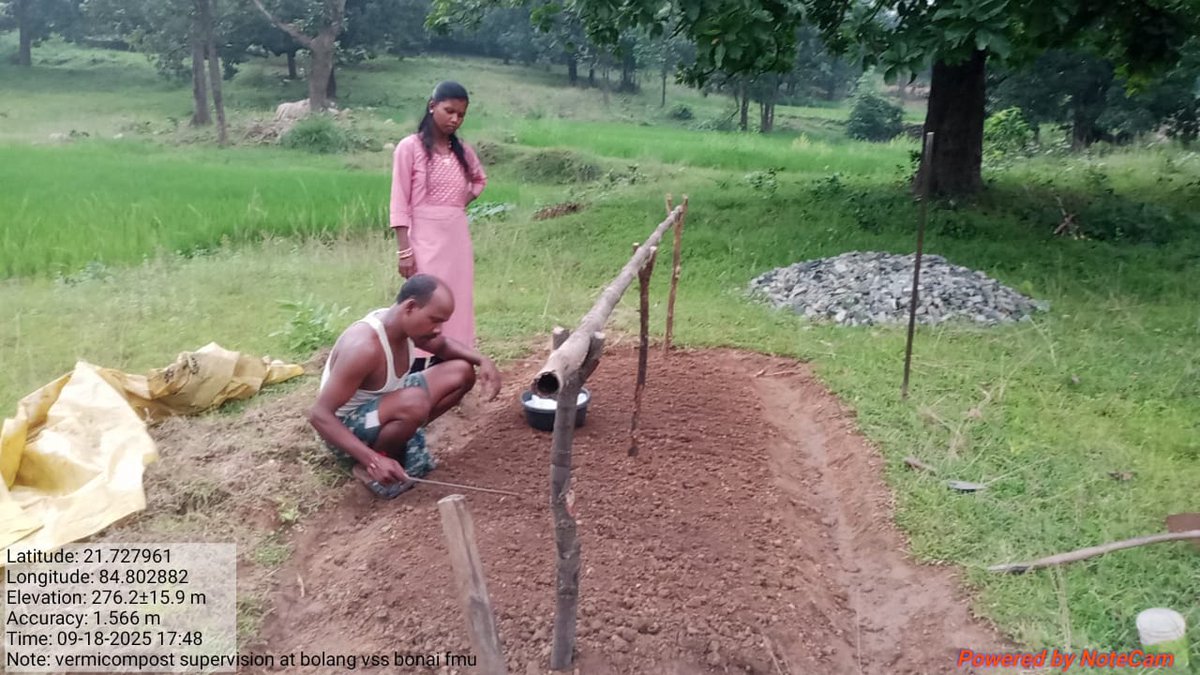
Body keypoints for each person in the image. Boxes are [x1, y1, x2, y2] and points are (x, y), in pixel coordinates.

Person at [309, 274, 501, 499]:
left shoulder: (404, 325)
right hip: (346, 427)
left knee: (461, 372)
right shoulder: (364, 348)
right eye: (435, 320)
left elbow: (442, 345)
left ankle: (402, 433)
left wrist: (482, 361)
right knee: (414, 402)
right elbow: (319, 415)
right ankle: (372, 463)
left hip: (385, 403)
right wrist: (373, 459)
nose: (438, 329)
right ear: (410, 307)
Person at [390, 80, 487, 372]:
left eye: (461, 114)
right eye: (449, 111)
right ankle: (418, 367)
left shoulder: (463, 151)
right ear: (432, 106)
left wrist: (456, 205)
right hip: (424, 242)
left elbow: (479, 180)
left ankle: (452, 364)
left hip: (456, 240)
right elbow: (399, 203)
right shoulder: (409, 148)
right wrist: (404, 252)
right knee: (426, 302)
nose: (455, 119)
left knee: (456, 301)